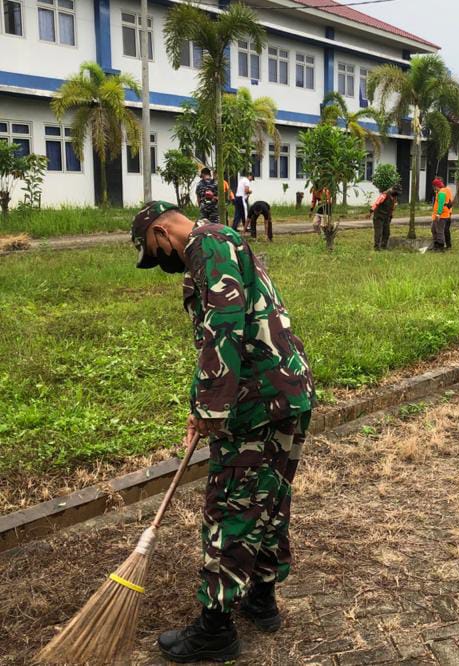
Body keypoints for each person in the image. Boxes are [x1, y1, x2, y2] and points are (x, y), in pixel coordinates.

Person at [130, 201, 315, 663]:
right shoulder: (224, 239)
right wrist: (202, 404)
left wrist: (210, 409)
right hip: (287, 392)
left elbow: (222, 330)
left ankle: (215, 628)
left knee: (229, 508)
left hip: (256, 405)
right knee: (269, 499)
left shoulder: (205, 246)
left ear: (161, 232)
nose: (162, 263)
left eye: (155, 252)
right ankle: (261, 599)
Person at [369, 183, 401, 250]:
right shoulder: (384, 195)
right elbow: (377, 203)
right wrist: (372, 210)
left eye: (398, 192)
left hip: (386, 217)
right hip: (379, 216)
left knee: (387, 233)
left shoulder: (394, 197)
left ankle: (383, 246)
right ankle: (377, 247)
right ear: (392, 189)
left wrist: (391, 215)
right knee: (379, 232)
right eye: (396, 192)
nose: (397, 193)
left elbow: (392, 207)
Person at [431, 177, 453, 251]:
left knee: (439, 231)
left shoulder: (441, 193)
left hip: (441, 216)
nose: (434, 188)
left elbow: (441, 204)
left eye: (434, 186)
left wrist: (438, 214)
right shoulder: (444, 190)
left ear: (436, 186)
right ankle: (436, 244)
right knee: (434, 229)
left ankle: (440, 246)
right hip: (442, 215)